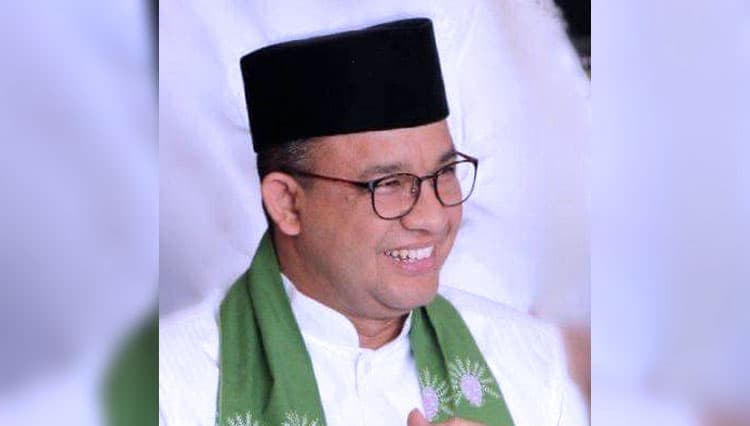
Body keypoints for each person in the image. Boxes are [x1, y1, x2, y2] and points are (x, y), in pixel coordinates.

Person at [159, 18, 586, 426]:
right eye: (389, 183)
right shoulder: (172, 387)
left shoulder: (531, 366)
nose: (433, 217)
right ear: (287, 203)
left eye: (445, 173)